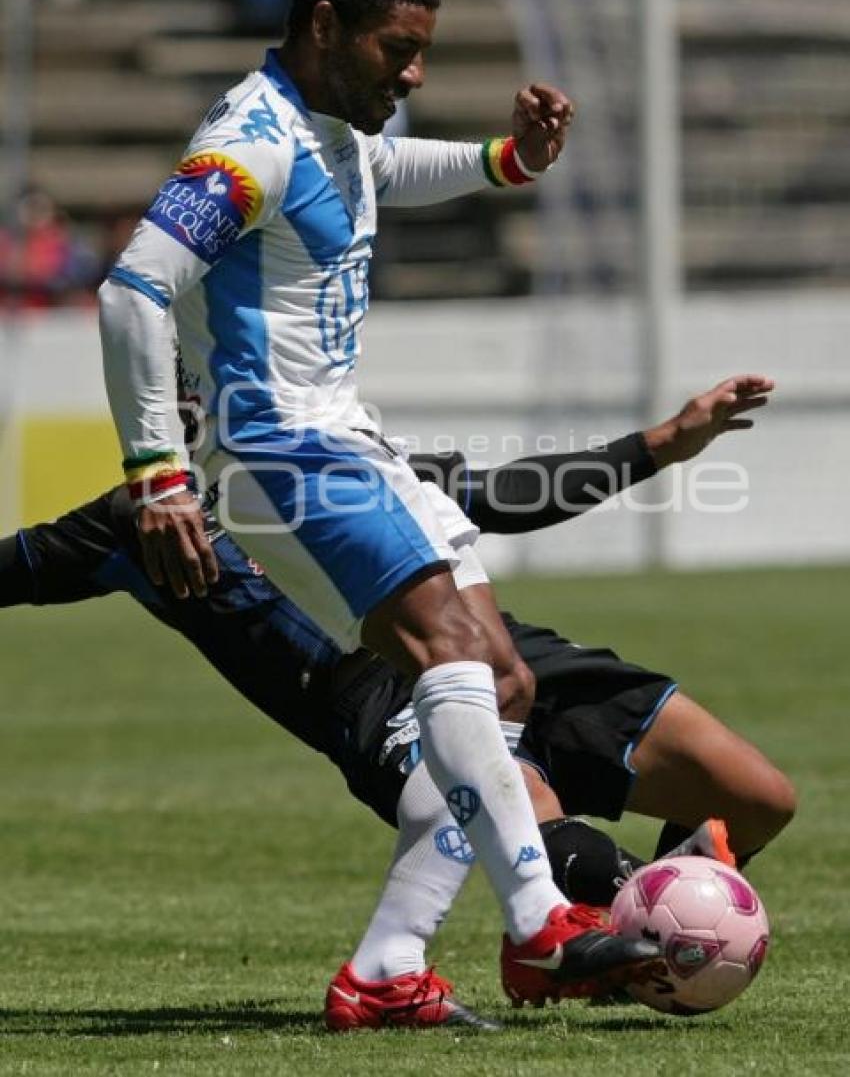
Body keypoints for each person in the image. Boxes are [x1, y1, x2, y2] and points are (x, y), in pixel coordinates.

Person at [98, 0, 663, 1010]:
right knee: (452, 652)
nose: (412, 74)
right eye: (396, 50)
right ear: (323, 29)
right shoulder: (247, 145)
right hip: (277, 450)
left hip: (346, 438)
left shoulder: (337, 130)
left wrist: (507, 162)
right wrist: (155, 474)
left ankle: (388, 964)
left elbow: (388, 170)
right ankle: (540, 918)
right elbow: (133, 287)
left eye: (421, 53)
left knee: (500, 684)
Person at [0, 373, 794, 1028]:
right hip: (381, 700)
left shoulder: (329, 456)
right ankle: (631, 933)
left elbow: (500, 494)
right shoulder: (131, 525)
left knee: (759, 797)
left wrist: (660, 443)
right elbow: (16, 567)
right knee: (536, 815)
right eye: (169, 391)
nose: (192, 404)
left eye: (201, 382)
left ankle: (641, 932)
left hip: (504, 650)